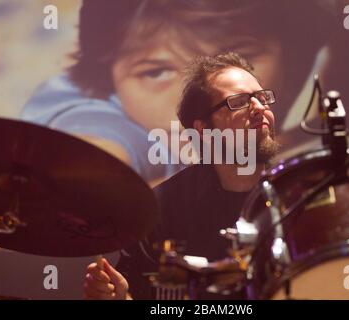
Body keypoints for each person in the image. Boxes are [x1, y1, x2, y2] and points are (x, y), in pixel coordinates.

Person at [20, 0, 339, 186]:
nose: (194, 94)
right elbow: (93, 167)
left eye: (232, 58)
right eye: (156, 71)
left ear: (294, 58)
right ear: (111, 80)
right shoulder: (97, 116)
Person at [83, 52, 280, 300]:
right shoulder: (161, 208)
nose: (260, 108)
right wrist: (119, 298)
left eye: (262, 98)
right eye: (240, 102)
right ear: (204, 129)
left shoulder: (297, 195)